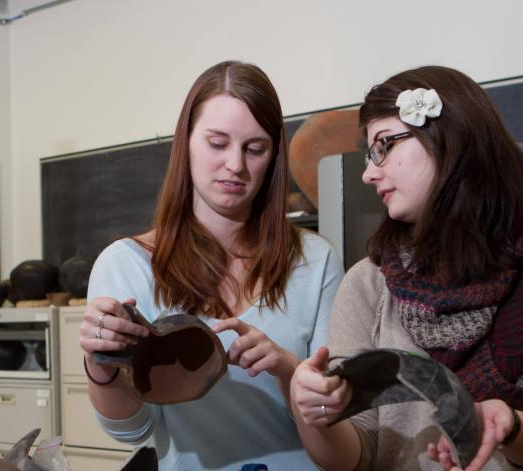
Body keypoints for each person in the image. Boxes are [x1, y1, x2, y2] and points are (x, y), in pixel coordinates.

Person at [289, 65, 523, 471]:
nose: (368, 172)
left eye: (384, 145)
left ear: (448, 140)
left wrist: (515, 427)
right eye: (369, 152)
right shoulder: (368, 283)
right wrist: (312, 414)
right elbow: (354, 454)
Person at [77, 60, 344, 470]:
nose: (235, 165)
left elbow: (341, 422)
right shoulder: (127, 265)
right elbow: (130, 430)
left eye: (255, 149)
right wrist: (100, 361)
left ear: (273, 157)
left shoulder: (315, 261)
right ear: (185, 142)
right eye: (217, 143)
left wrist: (285, 368)